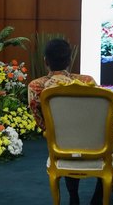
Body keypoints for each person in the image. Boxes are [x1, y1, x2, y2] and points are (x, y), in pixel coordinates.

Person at [27, 38, 102, 205]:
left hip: (60, 145)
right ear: (70, 60)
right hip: (95, 146)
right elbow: (100, 114)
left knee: (69, 140)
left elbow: (40, 122)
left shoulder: (36, 87)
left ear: (45, 60)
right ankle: (97, 200)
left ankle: (73, 197)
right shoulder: (87, 81)